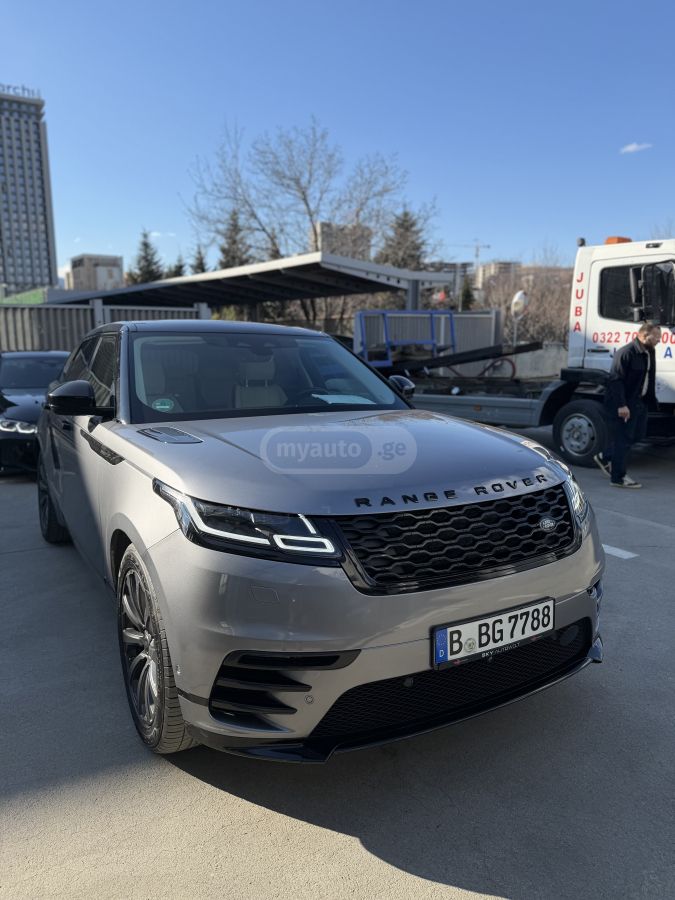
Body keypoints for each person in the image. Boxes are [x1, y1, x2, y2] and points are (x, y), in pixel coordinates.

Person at [594, 322, 662, 488]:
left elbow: (649, 377)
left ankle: (606, 456)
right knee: (623, 439)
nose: (659, 340)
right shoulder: (626, 353)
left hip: (641, 402)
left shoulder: (649, 351)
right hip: (626, 403)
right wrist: (622, 405)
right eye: (657, 336)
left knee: (637, 435)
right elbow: (615, 381)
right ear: (644, 335)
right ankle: (618, 478)